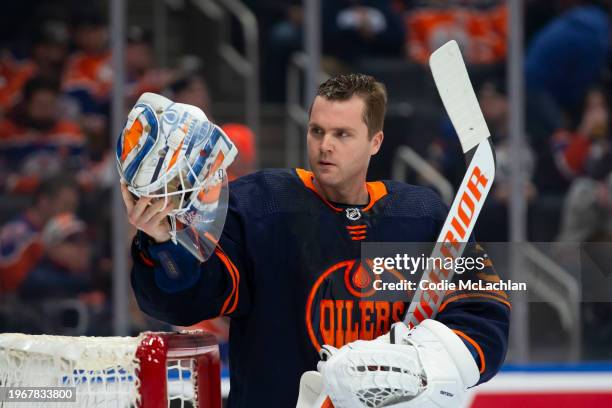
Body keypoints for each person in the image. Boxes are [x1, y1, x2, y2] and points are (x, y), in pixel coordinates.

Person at [120, 74, 510, 407]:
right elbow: (191, 300)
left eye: (342, 134)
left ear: (375, 142)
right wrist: (164, 245)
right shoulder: (261, 205)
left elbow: (483, 315)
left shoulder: (421, 216)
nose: (325, 145)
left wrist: (426, 365)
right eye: (317, 131)